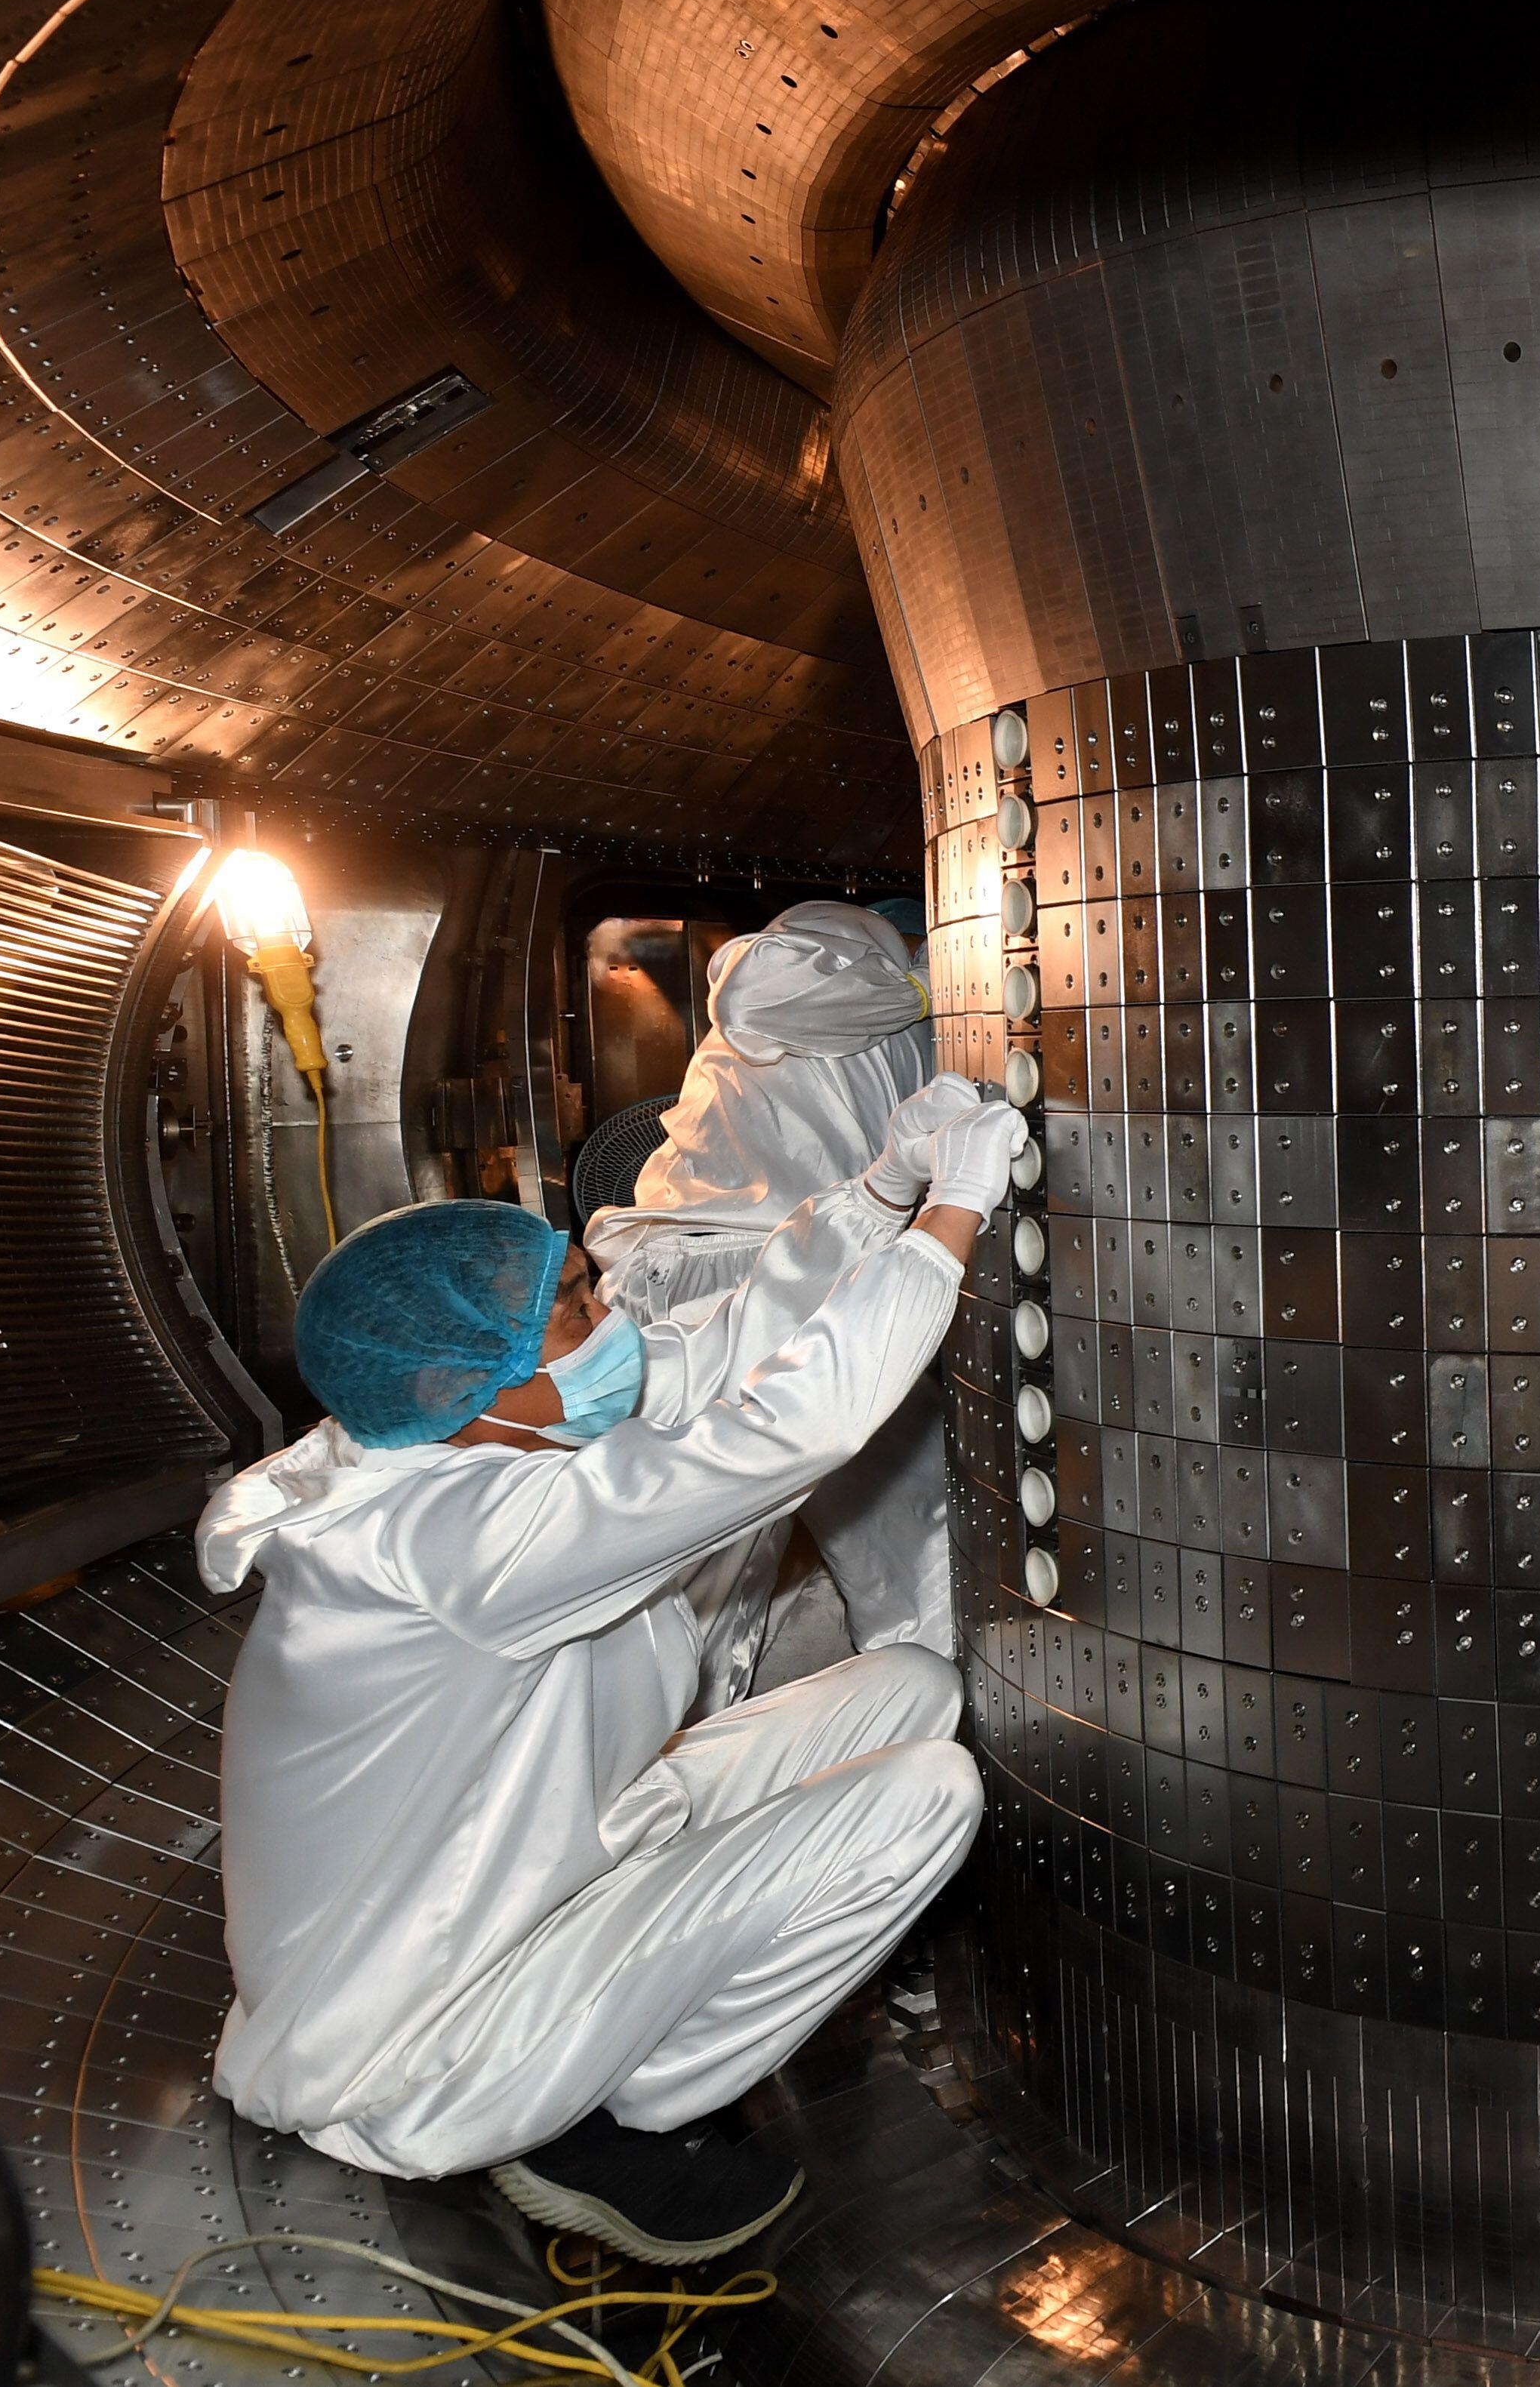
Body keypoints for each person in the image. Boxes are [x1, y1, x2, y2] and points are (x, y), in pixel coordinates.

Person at [196, 1090, 1024, 2264]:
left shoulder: (456, 1427)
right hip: (418, 2026)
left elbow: (721, 1350)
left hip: (539, 1856)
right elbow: (784, 1431)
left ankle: (601, 2043)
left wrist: (880, 1190)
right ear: (474, 1385)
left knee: (910, 1689)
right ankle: (605, 2105)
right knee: (925, 1795)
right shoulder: (449, 1543)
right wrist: (955, 1217)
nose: (607, 1313)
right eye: (574, 1312)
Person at [585, 901, 947, 1705]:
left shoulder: (928, 1037)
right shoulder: (839, 940)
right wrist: (927, 986)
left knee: (913, 1534)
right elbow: (749, 993)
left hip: (805, 1274)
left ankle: (911, 1737)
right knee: (689, 1578)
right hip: (717, 1277)